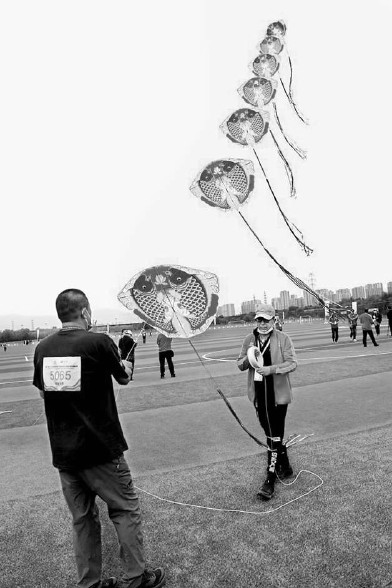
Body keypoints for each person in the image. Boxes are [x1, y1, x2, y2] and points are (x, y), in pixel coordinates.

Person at [33, 289, 166, 588]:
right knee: (125, 509)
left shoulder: (43, 348)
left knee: (82, 520)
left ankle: (90, 583)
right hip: (102, 451)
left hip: (65, 456)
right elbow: (124, 376)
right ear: (84, 312)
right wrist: (128, 359)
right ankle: (136, 579)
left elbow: (45, 392)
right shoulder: (97, 341)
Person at [237, 304, 297, 501]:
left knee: (274, 436)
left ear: (274, 320)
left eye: (266, 320)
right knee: (270, 433)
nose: (262, 324)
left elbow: (292, 363)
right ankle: (285, 465)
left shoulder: (283, 338)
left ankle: (270, 479)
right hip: (259, 395)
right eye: (259, 320)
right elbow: (239, 364)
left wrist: (271, 370)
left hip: (278, 395)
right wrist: (248, 360)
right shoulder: (249, 339)